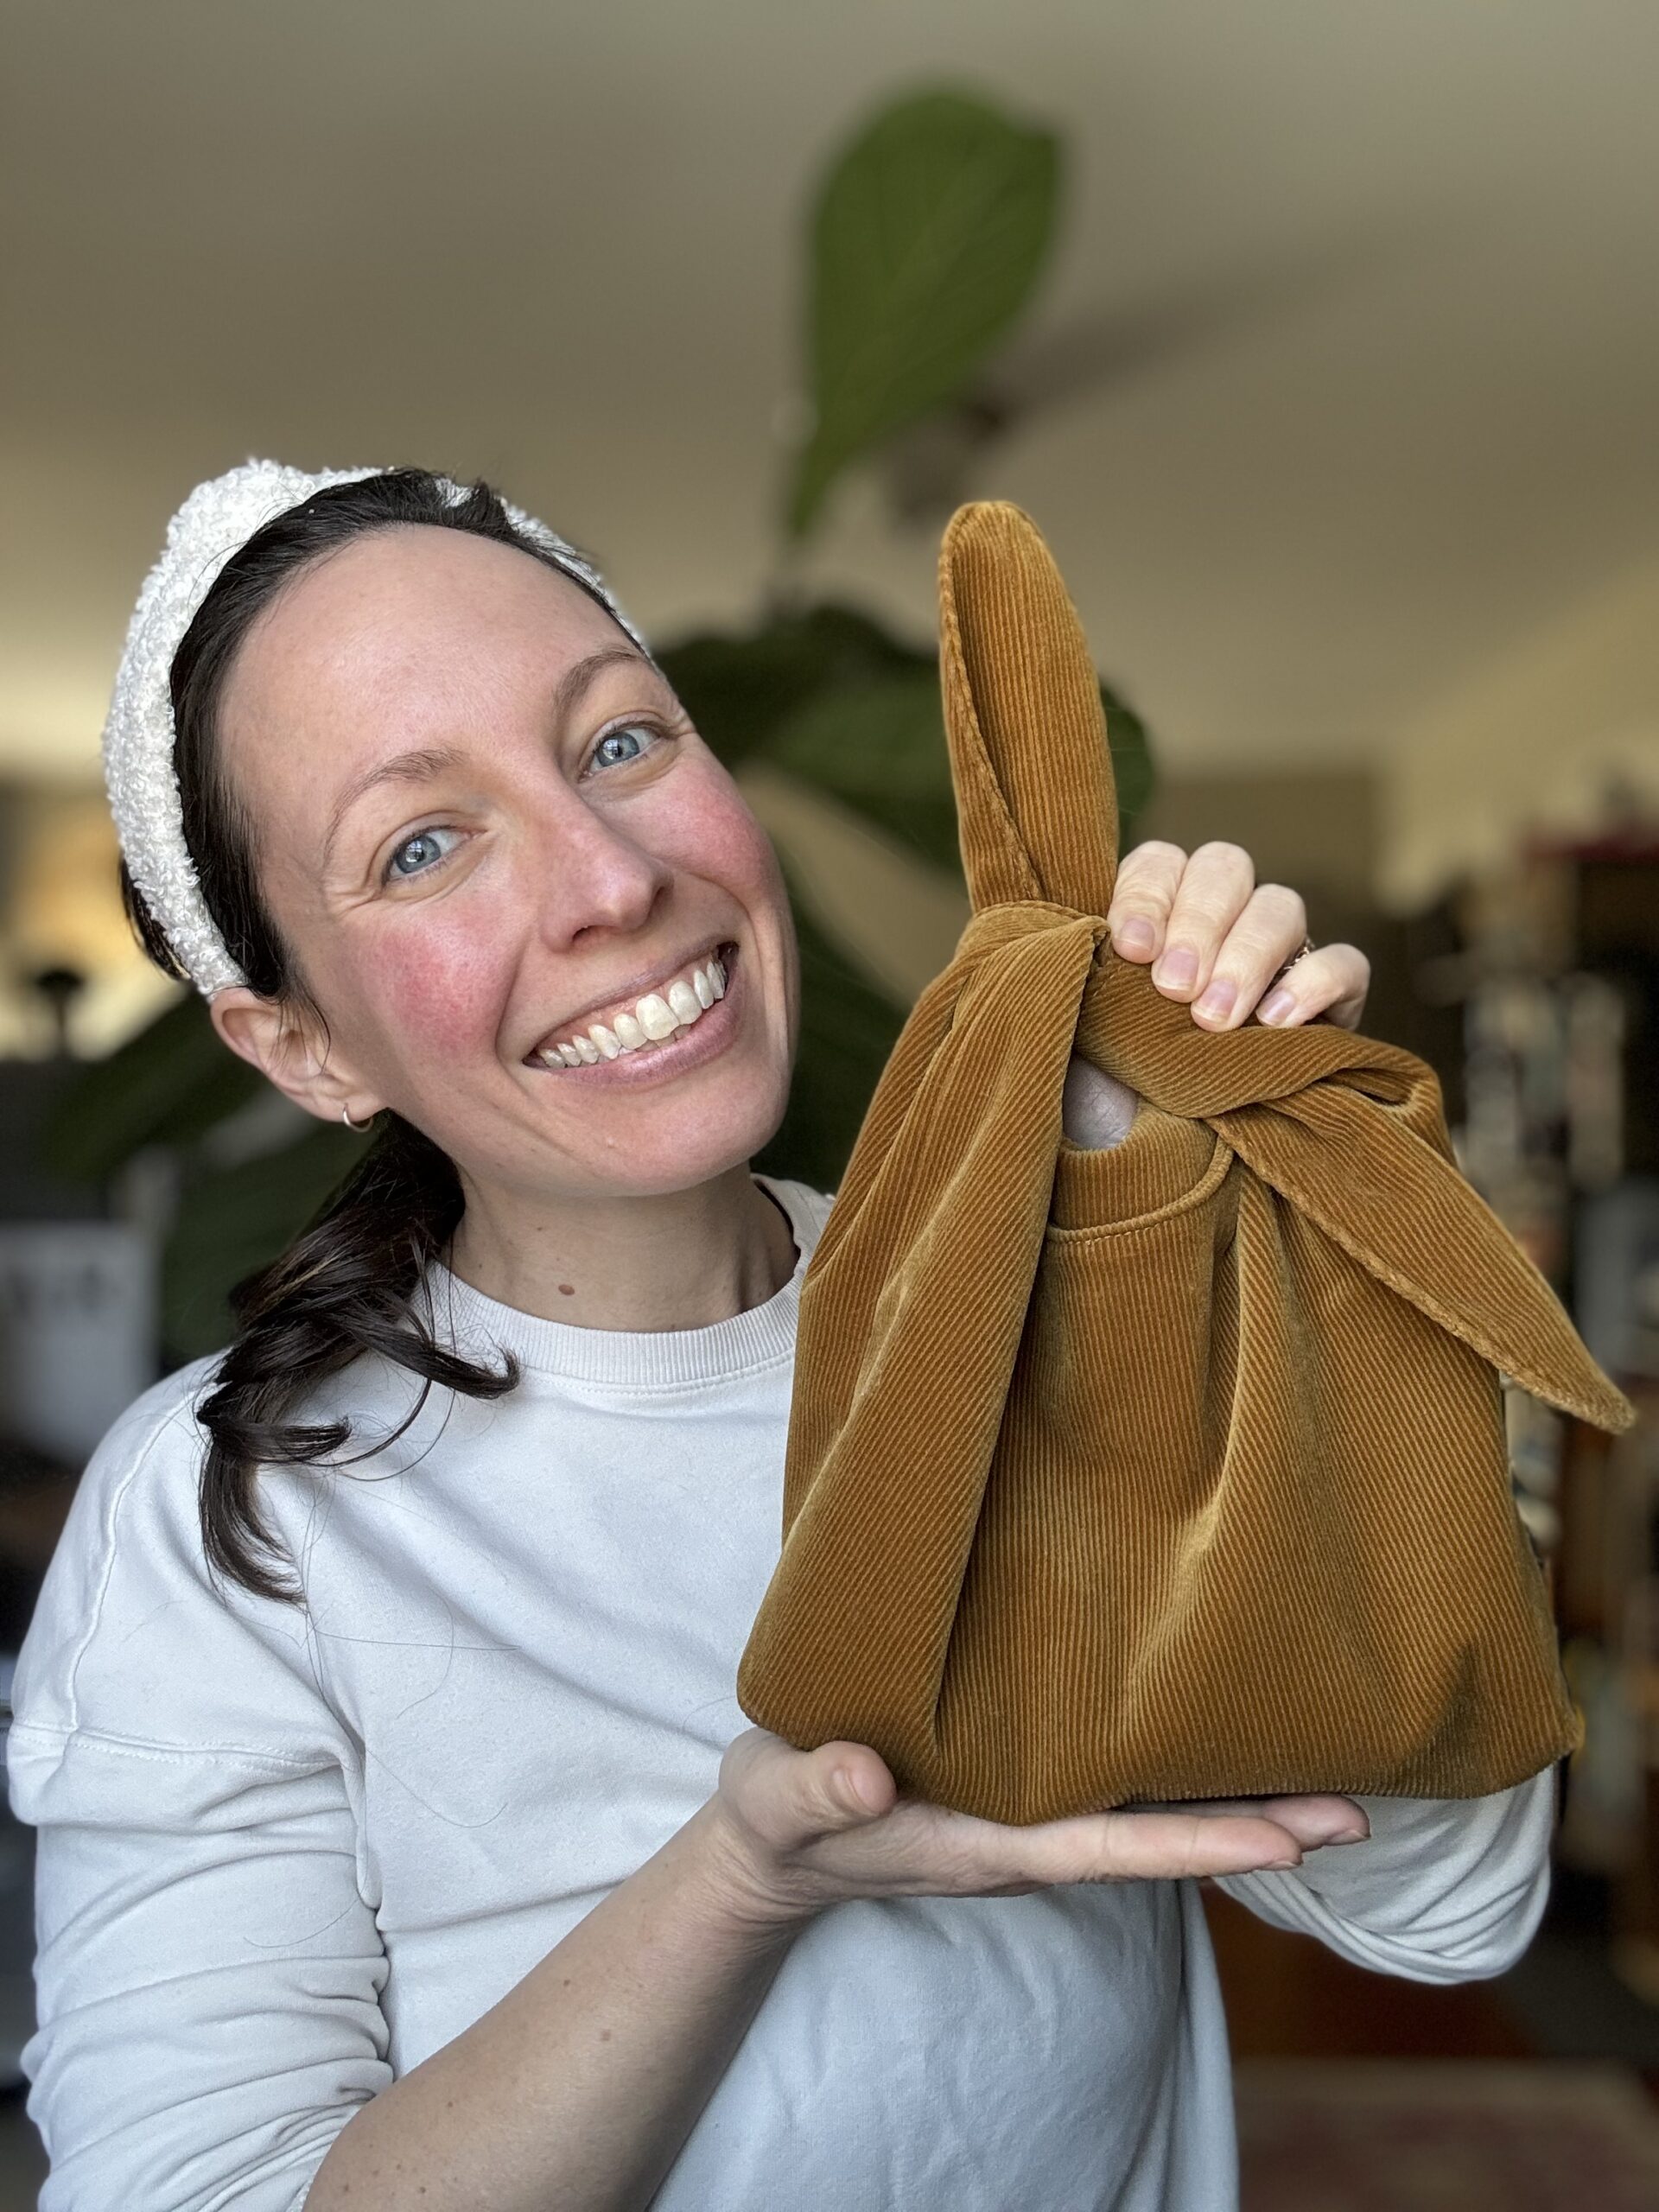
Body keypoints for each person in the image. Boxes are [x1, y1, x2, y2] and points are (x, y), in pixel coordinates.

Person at [6, 462, 1556, 2212]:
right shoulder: (239, 1521)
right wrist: (746, 1871)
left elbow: (1451, 1907)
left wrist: (1229, 1250)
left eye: (616, 742)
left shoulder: (1032, 1305)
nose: (608, 877)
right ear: (303, 1049)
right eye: (420, 843)